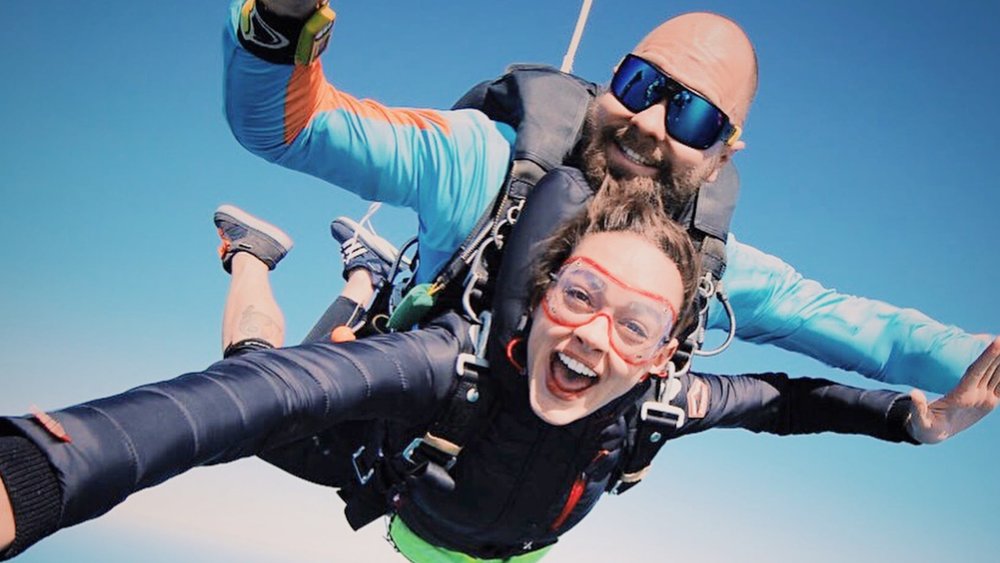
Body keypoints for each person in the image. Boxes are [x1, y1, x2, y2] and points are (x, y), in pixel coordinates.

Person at [1, 185, 997, 561]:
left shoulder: (665, 396)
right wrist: (37, 473)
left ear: (666, 349)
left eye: (638, 321)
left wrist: (923, 419)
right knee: (265, 363)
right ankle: (258, 255)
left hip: (475, 532)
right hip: (375, 464)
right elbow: (251, 402)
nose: (597, 337)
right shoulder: (452, 363)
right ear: (538, 297)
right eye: (578, 295)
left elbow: (786, 404)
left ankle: (361, 266)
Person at [224, 0, 990, 399]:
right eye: (639, 85)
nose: (649, 123)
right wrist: (283, 19)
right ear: (608, 79)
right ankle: (255, 258)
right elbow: (289, 129)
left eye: (693, 115)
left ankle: (368, 265)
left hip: (485, 486)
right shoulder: (481, 165)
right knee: (254, 384)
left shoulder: (706, 269)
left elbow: (872, 333)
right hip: (383, 395)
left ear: (726, 152)